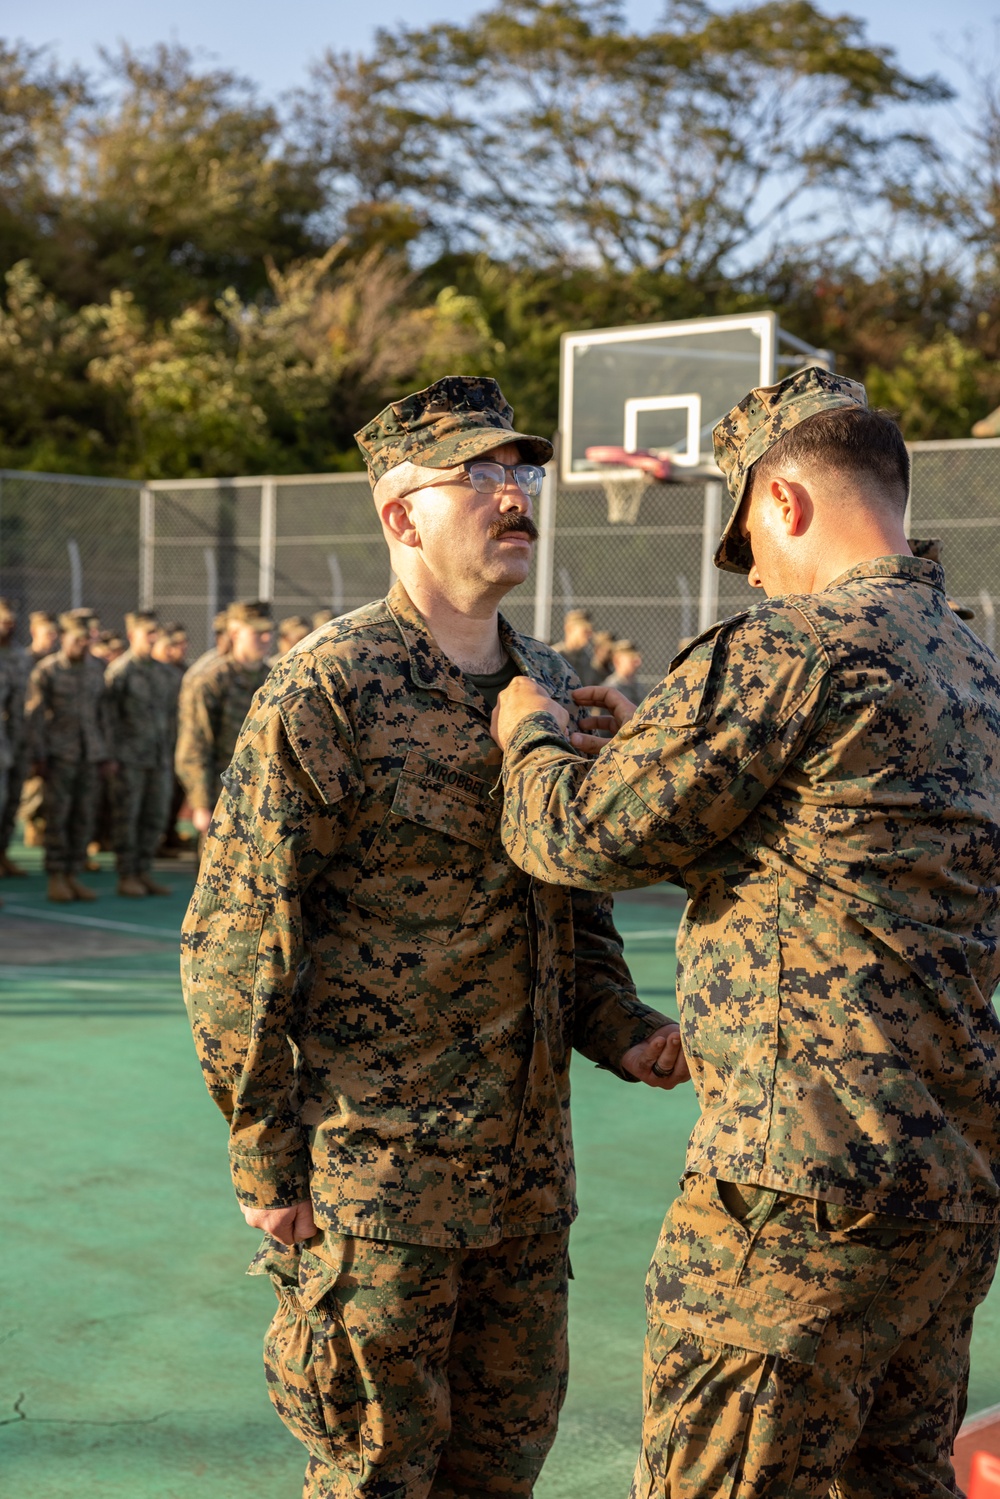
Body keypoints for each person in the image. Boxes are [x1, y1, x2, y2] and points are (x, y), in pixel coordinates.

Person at [491, 366, 1000, 1498]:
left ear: (784, 499)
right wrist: (657, 747)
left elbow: (572, 838)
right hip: (949, 1186)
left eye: (748, 542)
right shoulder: (973, 669)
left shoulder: (785, 651)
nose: (756, 572)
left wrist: (527, 732)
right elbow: (835, 851)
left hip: (797, 1189)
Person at [181, 375, 681, 1499]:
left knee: (501, 1466)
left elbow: (573, 908)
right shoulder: (328, 688)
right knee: (375, 1472)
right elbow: (235, 940)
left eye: (523, 475)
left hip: (525, 1182)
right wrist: (266, 1154)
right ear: (401, 515)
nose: (514, 499)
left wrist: (628, 1030)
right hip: (380, 1184)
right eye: (480, 477)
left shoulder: (542, 682)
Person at [25, 612, 114, 902]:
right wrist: (39, 755)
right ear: (64, 638)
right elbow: (35, 717)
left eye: (87, 639)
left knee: (84, 817)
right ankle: (56, 876)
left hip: (90, 755)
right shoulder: (47, 671)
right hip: (59, 756)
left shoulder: (96, 668)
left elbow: (104, 715)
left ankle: (73, 874)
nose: (82, 645)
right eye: (77, 639)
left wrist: (105, 752)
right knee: (58, 818)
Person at [175, 602, 274, 836]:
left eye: (269, 630)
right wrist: (200, 804)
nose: (267, 637)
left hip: (266, 792)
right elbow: (193, 747)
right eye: (258, 632)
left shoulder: (274, 677)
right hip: (223, 793)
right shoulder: (210, 680)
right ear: (236, 634)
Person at [104, 610, 177, 897]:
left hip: (158, 757)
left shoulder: (164, 674)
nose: (154, 638)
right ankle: (127, 874)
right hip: (129, 758)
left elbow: (172, 716)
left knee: (155, 816)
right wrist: (110, 755)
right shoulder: (119, 672)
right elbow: (109, 718)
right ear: (133, 635)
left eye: (155, 633)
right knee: (128, 817)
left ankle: (144, 870)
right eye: (149, 633)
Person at [14, 612, 60, 852]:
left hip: (53, 734)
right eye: (47, 633)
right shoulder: (24, 660)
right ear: (34, 633)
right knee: (32, 790)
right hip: (27, 734)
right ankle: (31, 827)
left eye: (55, 634)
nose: (52, 638)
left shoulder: (56, 663)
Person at [0, 598, 29, 877]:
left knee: (8, 805)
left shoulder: (19, 656)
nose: (7, 627)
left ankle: (3, 853)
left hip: (11, 743)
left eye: (10, 622)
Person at [553, 607, 603, 685]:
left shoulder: (586, 658)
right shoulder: (554, 655)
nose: (590, 635)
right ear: (569, 629)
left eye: (591, 631)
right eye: (585, 631)